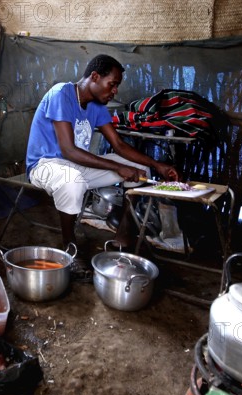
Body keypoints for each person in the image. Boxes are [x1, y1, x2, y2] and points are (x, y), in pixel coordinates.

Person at [26, 54, 181, 251]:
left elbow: (119, 145)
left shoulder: (97, 106)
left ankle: (123, 235)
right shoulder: (61, 94)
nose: (114, 91)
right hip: (45, 165)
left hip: (77, 165)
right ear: (95, 76)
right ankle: (69, 246)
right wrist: (118, 168)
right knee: (73, 181)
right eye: (112, 84)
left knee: (139, 169)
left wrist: (157, 165)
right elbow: (69, 150)